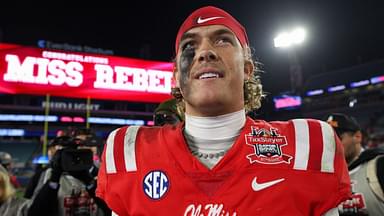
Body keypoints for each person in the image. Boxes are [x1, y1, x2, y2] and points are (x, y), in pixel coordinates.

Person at [96, 6, 351, 215]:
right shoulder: (128, 151)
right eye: (189, 46)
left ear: (248, 69)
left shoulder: (308, 145)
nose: (205, 52)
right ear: (176, 76)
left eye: (222, 40)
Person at [28, 129, 110, 216]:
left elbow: (112, 210)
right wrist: (54, 178)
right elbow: (35, 212)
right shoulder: (48, 174)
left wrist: (90, 183)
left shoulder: (103, 174)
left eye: (88, 144)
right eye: (79, 146)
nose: (83, 148)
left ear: (94, 149)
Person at [327, 113, 384, 215]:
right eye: (327, 140)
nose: (331, 144)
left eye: (337, 138)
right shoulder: (323, 175)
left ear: (358, 136)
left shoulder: (379, 165)